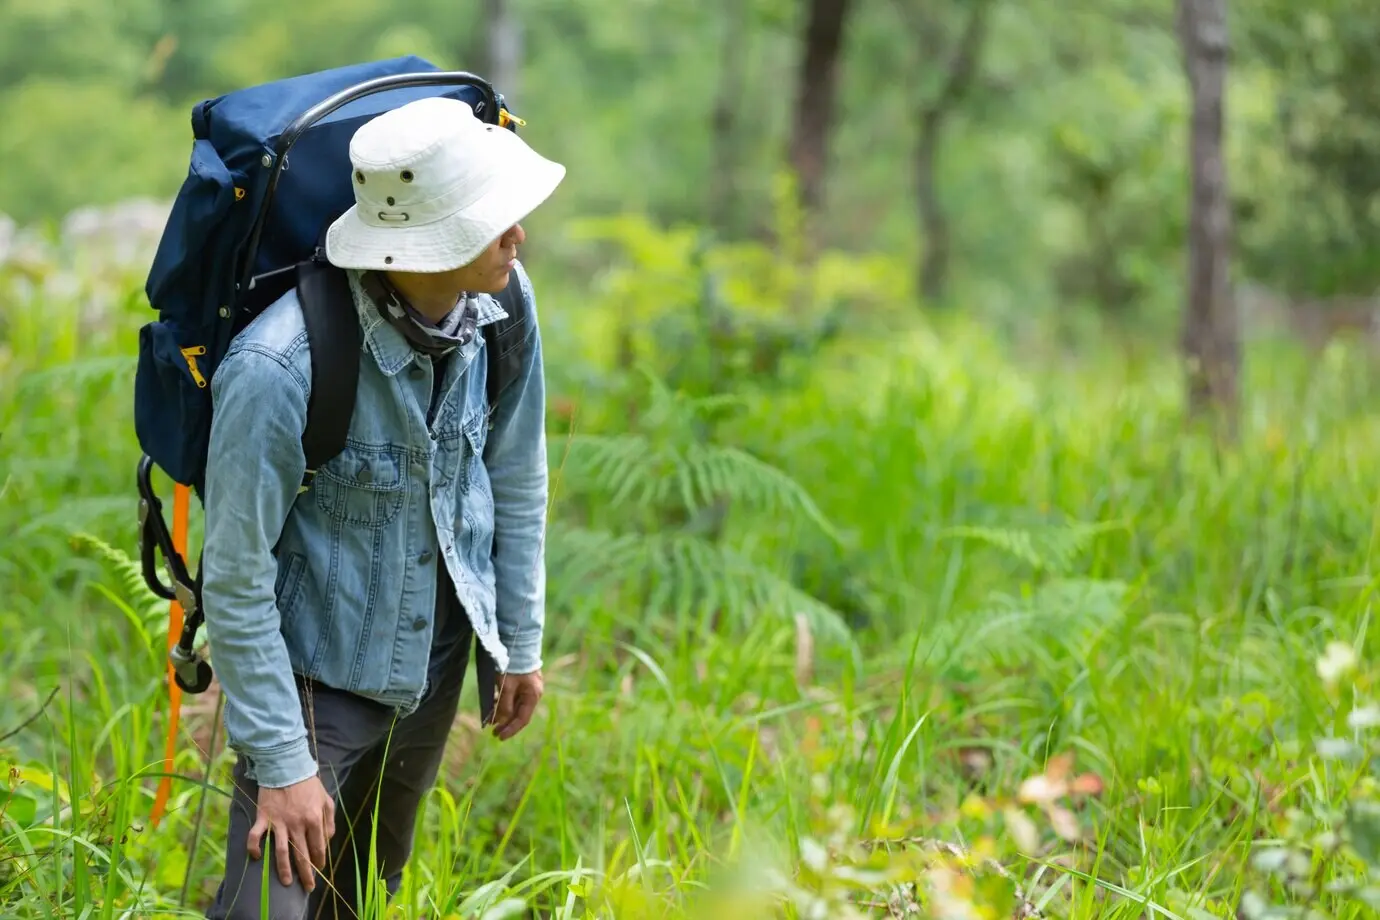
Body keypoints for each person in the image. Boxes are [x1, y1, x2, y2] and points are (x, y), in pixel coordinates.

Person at [198, 94, 565, 920]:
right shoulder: (278, 368)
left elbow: (516, 469)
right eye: (492, 220)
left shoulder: (505, 304)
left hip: (434, 658)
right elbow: (235, 575)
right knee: (269, 911)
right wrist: (286, 764)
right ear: (422, 242)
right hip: (313, 677)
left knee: (359, 894)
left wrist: (519, 639)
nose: (519, 235)